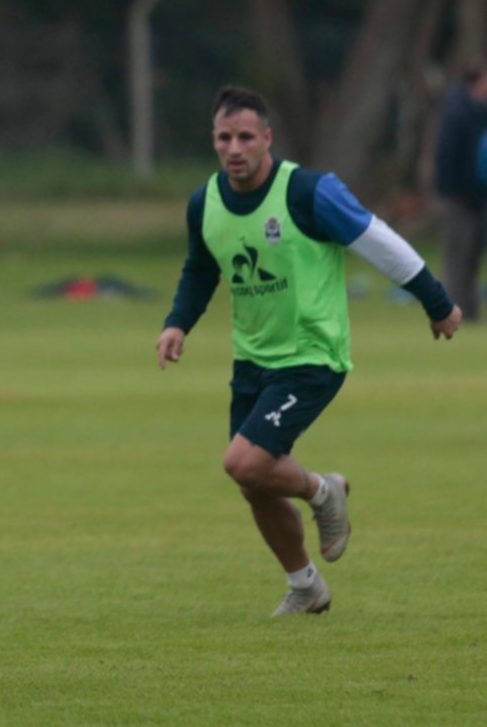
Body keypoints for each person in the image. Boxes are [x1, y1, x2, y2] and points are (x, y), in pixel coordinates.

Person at [157, 86, 461, 616]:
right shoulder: (204, 203)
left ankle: (324, 492)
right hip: (253, 359)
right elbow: (201, 270)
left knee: (242, 463)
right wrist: (177, 323)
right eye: (224, 137)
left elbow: (378, 240)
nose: (235, 148)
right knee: (254, 484)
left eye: (246, 136)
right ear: (213, 140)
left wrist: (436, 302)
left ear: (267, 138)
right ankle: (305, 585)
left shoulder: (308, 192)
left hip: (311, 355)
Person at [432, 64, 487, 321]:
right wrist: (449, 190)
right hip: (460, 197)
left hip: (481, 196)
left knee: (475, 255)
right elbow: (446, 155)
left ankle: (471, 310)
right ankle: (450, 310)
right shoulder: (457, 112)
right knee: (458, 253)